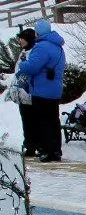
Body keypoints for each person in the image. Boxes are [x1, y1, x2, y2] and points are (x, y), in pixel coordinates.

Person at [18, 19, 65, 163]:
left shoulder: (42, 47)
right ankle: (56, 150)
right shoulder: (58, 46)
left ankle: (47, 151)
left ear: (38, 32)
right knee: (53, 121)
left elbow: (32, 67)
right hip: (55, 89)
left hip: (42, 90)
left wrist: (23, 64)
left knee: (42, 121)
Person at [13, 29, 38, 157]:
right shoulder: (23, 52)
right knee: (26, 120)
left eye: (22, 38)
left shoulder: (34, 52)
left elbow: (29, 69)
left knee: (33, 120)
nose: (20, 40)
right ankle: (29, 144)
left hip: (31, 92)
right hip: (22, 93)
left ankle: (33, 146)